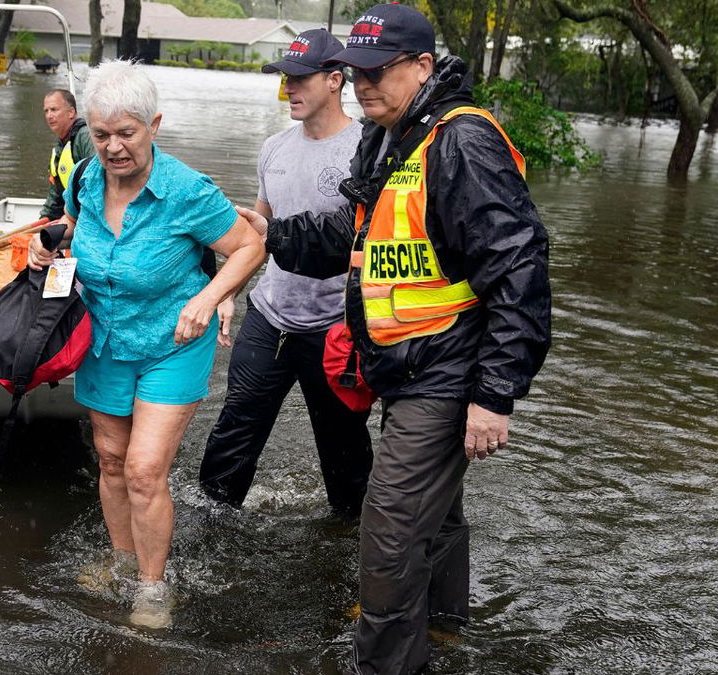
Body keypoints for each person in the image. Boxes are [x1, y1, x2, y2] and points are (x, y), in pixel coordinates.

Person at [237, 5, 551, 673]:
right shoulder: (389, 137)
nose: (363, 86)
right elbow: (349, 241)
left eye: (379, 72)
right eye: (355, 73)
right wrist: (270, 235)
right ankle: (440, 629)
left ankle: (383, 662)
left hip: (446, 368)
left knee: (386, 529)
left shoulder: (462, 143)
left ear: (423, 67)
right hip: (404, 364)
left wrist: (495, 395)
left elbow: (519, 269)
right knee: (432, 519)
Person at [28, 60, 265, 630]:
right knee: (110, 461)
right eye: (102, 133)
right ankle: (122, 559)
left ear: (153, 125)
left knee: (141, 469)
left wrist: (208, 299)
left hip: (171, 342)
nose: (113, 147)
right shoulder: (86, 175)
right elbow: (70, 222)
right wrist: (49, 247)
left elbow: (250, 247)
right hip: (105, 338)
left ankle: (153, 589)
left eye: (126, 133)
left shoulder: (187, 191)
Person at [198, 28, 372, 516]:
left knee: (343, 454)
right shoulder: (274, 148)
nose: (288, 88)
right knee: (233, 435)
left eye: (299, 78)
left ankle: (349, 538)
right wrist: (230, 290)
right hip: (269, 316)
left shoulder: (366, 149)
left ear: (335, 80)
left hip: (334, 328)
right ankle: (209, 527)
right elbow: (257, 235)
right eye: (283, 78)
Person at [39, 88, 94, 221]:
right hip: (73, 214)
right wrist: (44, 219)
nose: (49, 115)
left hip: (88, 216)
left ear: (71, 112)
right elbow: (55, 195)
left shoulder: (85, 137)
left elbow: (98, 181)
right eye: (46, 111)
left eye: (54, 109)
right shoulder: (60, 147)